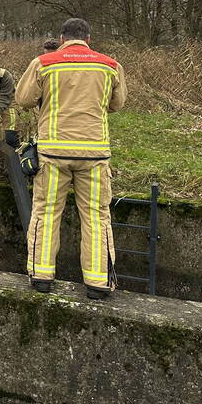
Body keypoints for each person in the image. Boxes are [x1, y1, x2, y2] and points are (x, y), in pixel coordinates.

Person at [15, 18, 127, 300]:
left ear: (62, 37)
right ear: (88, 38)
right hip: (94, 155)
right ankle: (98, 283)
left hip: (53, 154)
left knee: (46, 212)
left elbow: (24, 99)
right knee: (96, 216)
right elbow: (117, 105)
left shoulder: (44, 63)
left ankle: (41, 276)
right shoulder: (110, 66)